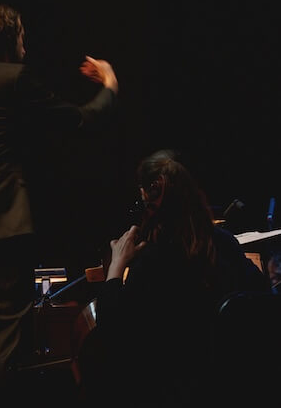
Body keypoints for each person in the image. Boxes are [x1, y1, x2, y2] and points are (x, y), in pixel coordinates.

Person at [0, 2, 120, 403]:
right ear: (6, 37)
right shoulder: (11, 79)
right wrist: (110, 86)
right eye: (22, 38)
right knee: (5, 345)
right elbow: (79, 120)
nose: (25, 49)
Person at [91, 149, 272, 407]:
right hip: (237, 391)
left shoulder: (153, 261)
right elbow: (260, 301)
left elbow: (111, 333)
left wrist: (117, 265)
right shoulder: (225, 244)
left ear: (152, 203)